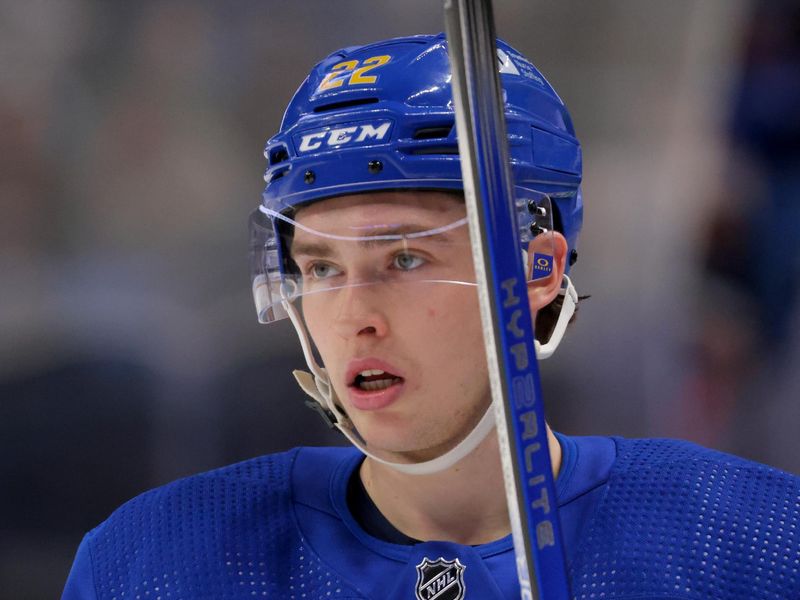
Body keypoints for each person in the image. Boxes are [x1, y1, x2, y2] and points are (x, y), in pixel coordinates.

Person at [62, 33, 800, 600]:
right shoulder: (152, 563)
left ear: (538, 269)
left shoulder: (755, 544)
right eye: (321, 268)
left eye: (405, 259)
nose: (355, 317)